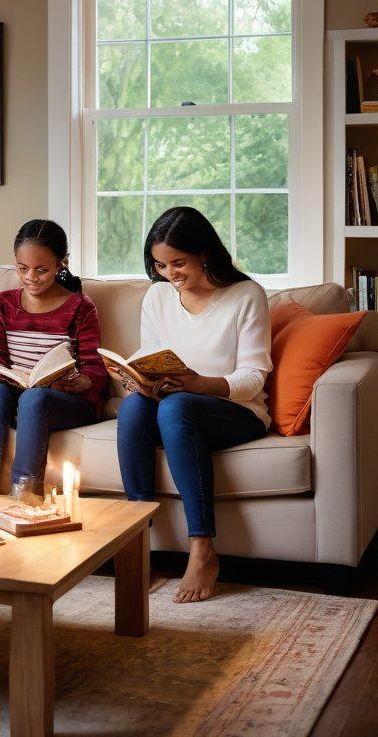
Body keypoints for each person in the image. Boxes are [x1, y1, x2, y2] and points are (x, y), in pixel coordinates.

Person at [116, 207, 271, 604]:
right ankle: (137, 538)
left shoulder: (246, 295)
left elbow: (255, 376)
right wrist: (139, 380)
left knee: (176, 408)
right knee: (134, 408)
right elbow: (150, 354)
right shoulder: (157, 296)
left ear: (205, 253)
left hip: (237, 412)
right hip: (176, 404)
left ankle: (203, 550)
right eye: (160, 265)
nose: (171, 274)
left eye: (178, 263)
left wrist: (201, 384)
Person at [0, 220, 106, 493]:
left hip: (64, 401)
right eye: (23, 268)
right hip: (17, 392)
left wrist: (83, 382)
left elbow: (96, 369)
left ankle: (24, 496)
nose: (31, 276)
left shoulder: (80, 307)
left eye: (42, 270)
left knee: (35, 398)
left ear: (62, 264)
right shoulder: (3, 303)